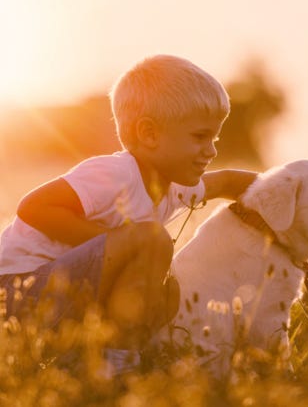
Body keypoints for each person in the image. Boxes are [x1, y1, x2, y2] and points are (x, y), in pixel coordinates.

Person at [0, 55, 258, 358]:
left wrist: (289, 188)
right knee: (150, 240)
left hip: (61, 295)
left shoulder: (174, 187)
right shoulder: (115, 174)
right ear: (149, 134)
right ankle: (118, 362)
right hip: (18, 294)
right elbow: (34, 207)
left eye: (215, 137)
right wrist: (115, 240)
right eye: (200, 136)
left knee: (169, 291)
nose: (212, 150)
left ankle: (105, 355)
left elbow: (226, 182)